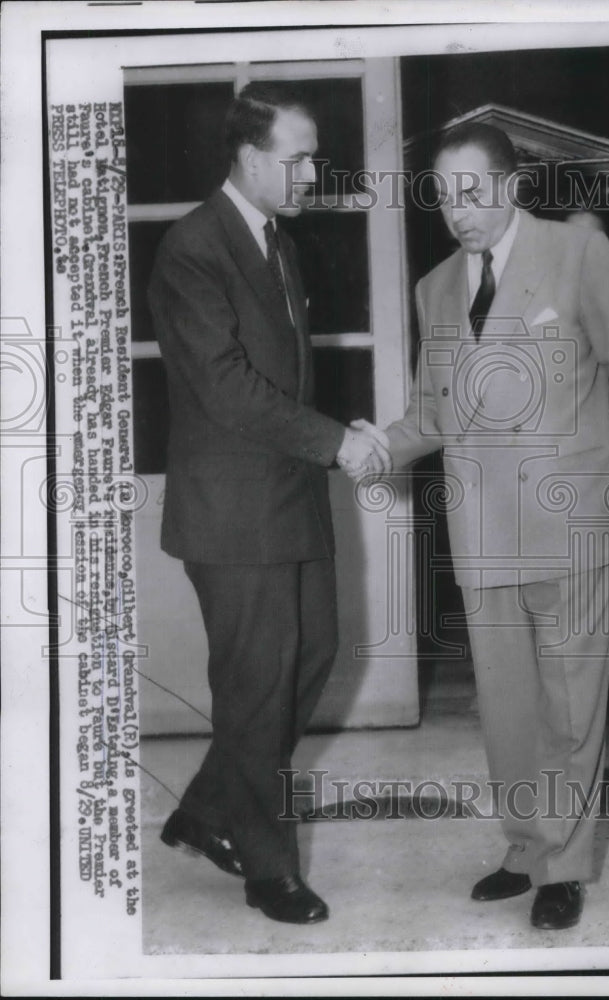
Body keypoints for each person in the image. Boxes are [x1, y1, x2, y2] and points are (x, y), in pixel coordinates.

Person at [377, 123, 609, 929]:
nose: (456, 212)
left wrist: (606, 481)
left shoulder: (575, 257)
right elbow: (429, 412)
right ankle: (524, 846)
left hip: (571, 523)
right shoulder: (435, 288)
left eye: (470, 193)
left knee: (572, 703)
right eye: (441, 197)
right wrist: (364, 448)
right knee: (504, 703)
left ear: (510, 186)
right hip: (480, 528)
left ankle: (565, 867)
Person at [148, 82, 389, 925]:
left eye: (315, 153)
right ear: (251, 160)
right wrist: (335, 442)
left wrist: (333, 429)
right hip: (232, 513)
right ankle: (267, 868)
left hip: (287, 498)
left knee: (311, 656)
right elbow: (226, 388)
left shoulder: (276, 241)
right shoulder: (192, 246)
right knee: (255, 687)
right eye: (299, 156)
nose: (312, 170)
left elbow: (280, 377)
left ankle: (204, 812)